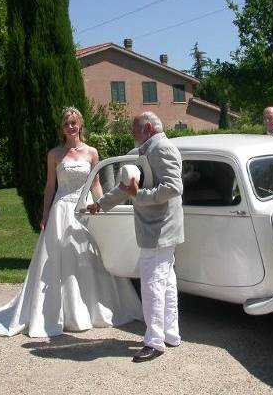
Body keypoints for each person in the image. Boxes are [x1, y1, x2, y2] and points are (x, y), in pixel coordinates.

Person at [0, 107, 142, 337]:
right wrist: (44, 216)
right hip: (62, 210)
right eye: (66, 124)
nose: (70, 127)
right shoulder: (54, 154)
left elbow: (95, 185)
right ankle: (60, 313)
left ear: (80, 124)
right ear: (61, 128)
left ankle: (95, 309)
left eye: (74, 123)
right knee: (59, 259)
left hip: (85, 209)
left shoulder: (92, 152)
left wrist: (102, 207)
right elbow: (50, 187)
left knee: (88, 256)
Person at [88, 111, 184, 363]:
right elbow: (127, 187)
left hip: (160, 228)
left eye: (134, 128)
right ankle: (170, 334)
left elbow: (173, 188)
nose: (131, 132)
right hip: (158, 228)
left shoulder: (162, 148)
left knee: (152, 283)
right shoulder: (146, 150)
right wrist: (101, 203)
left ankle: (154, 341)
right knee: (166, 281)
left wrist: (138, 196)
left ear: (148, 128)